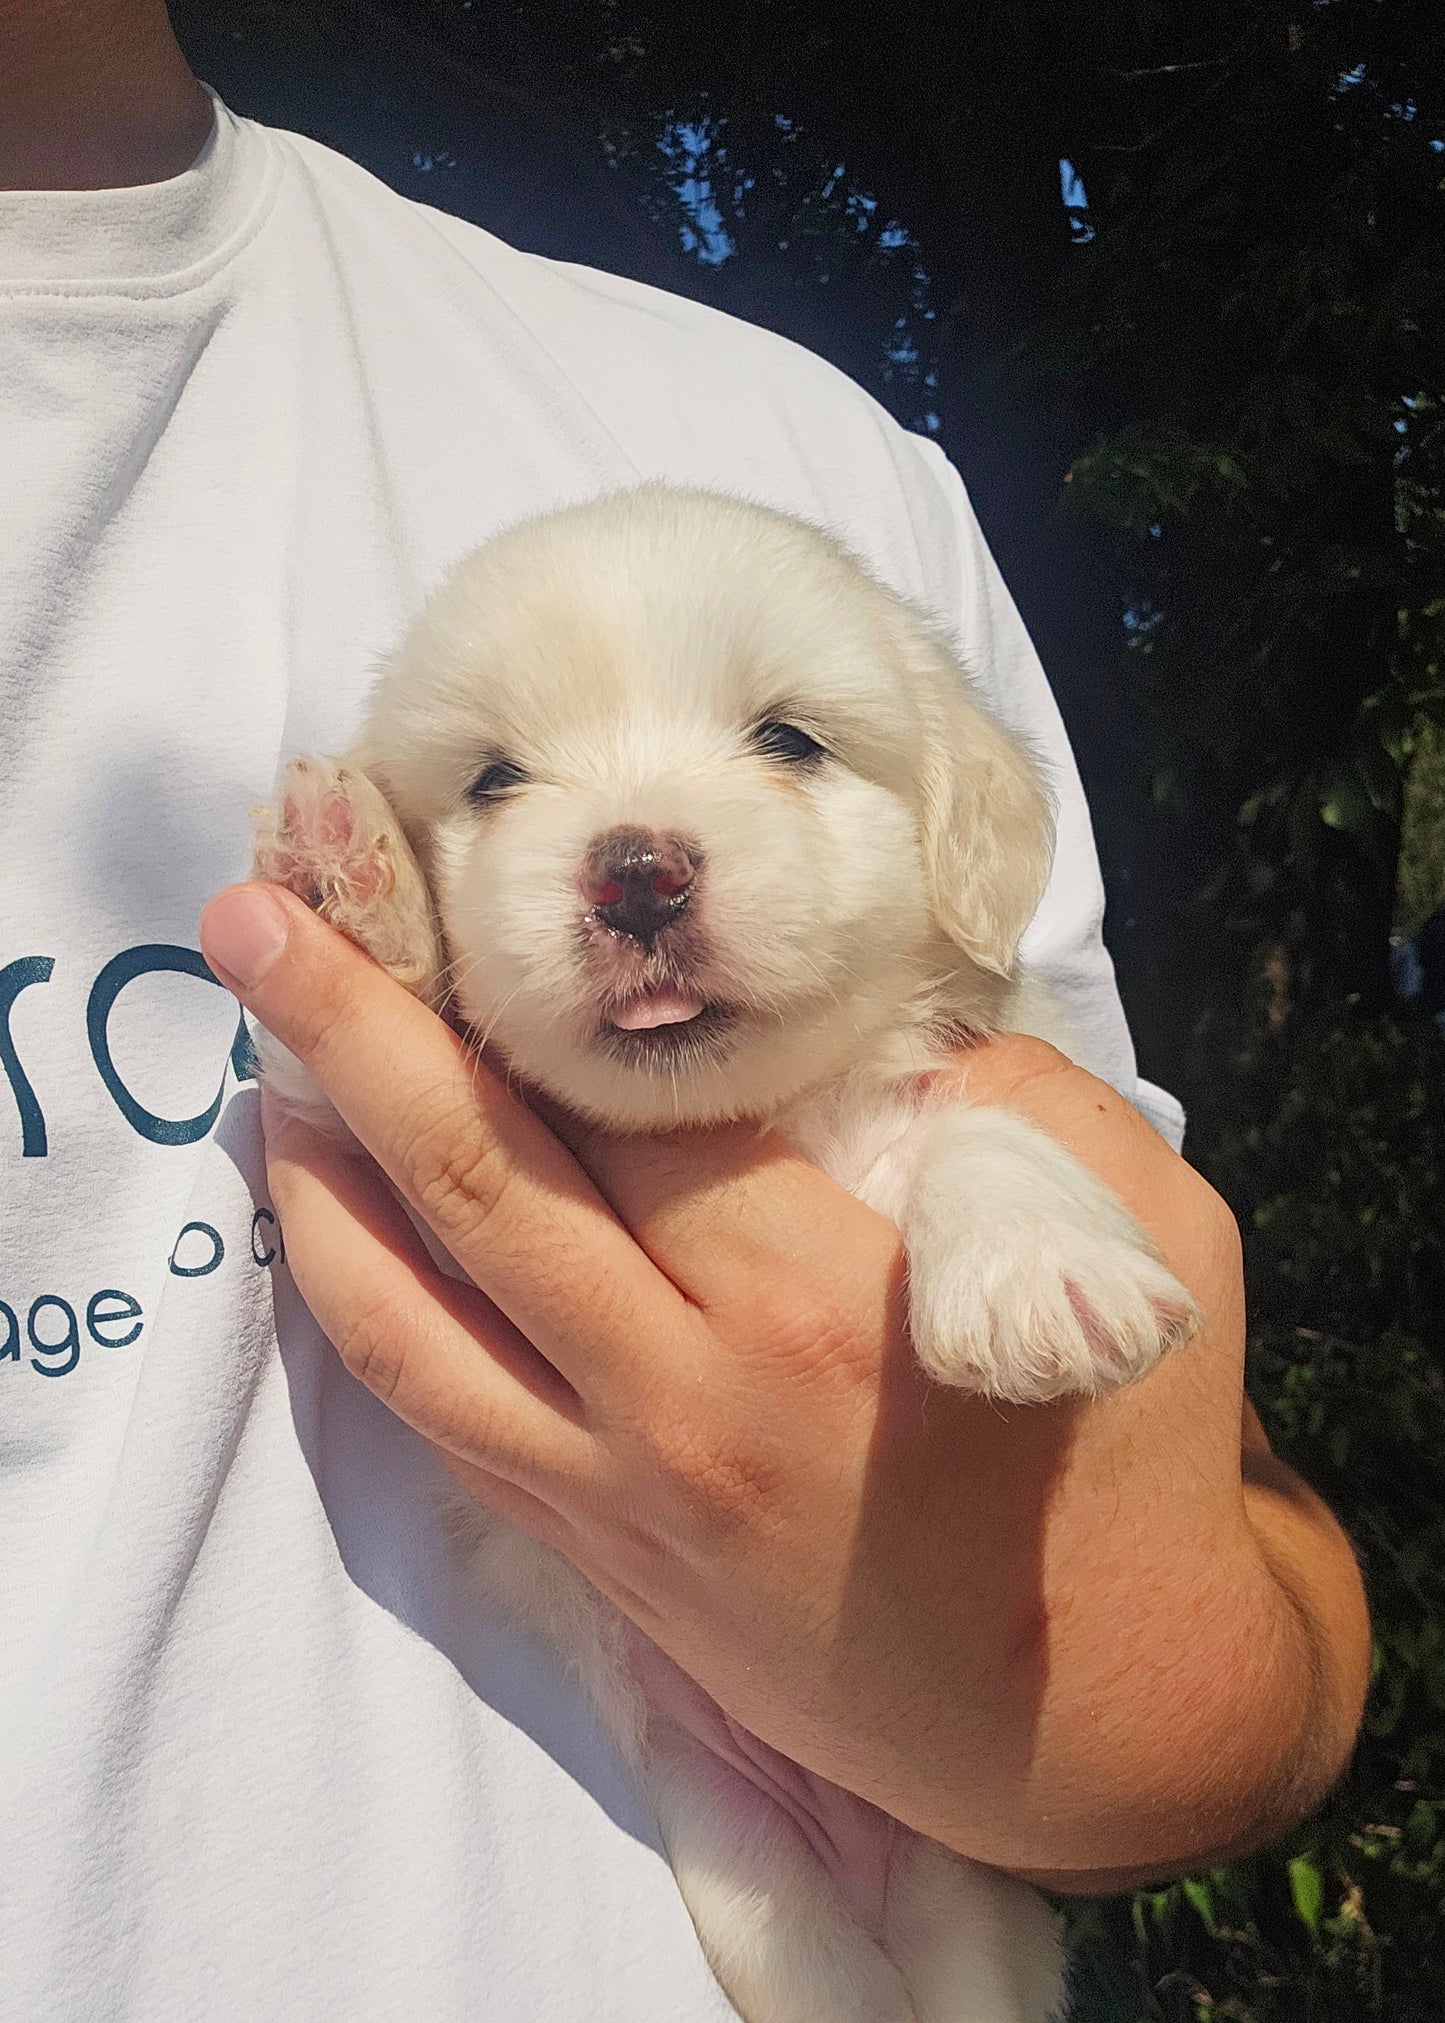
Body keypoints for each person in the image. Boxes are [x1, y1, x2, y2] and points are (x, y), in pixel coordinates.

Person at [0, 4, 1369, 2016]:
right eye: (499, 783)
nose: (638, 848)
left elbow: (1223, 1631)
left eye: (790, 742)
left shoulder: (788, 452)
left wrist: (1086, 1681)